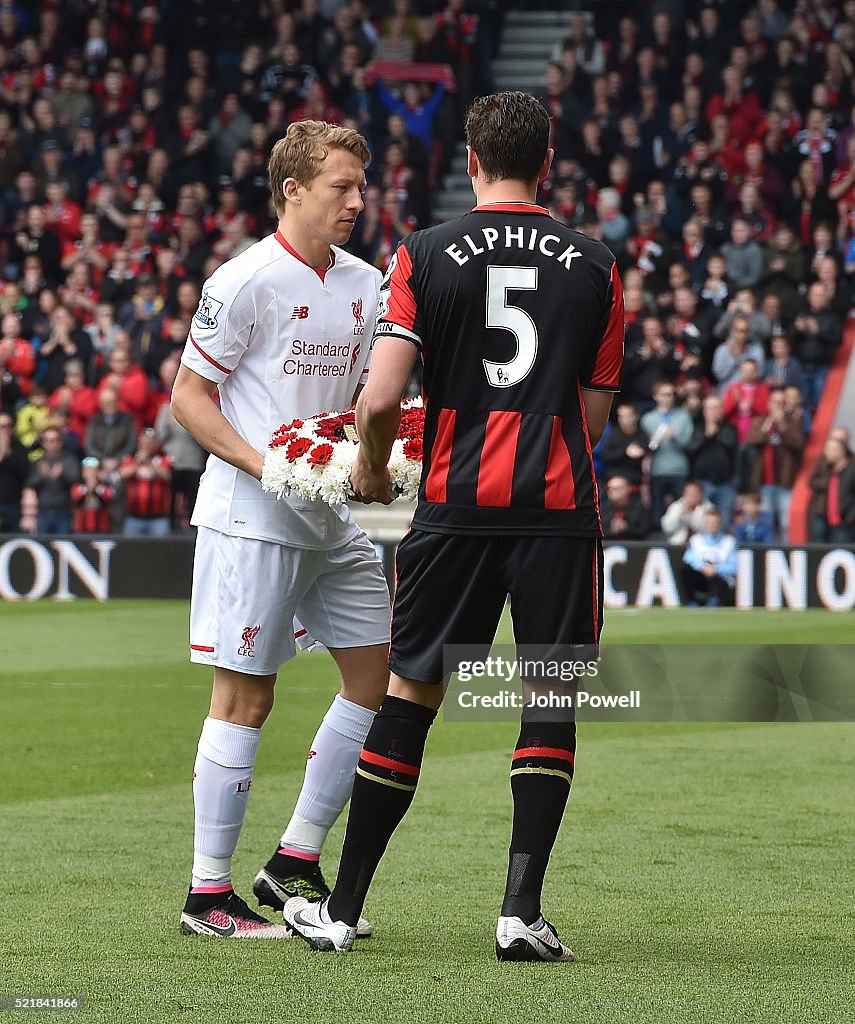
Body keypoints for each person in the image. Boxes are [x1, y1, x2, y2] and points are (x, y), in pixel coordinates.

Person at [284, 92, 624, 961]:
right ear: (546, 163)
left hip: (451, 510)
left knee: (411, 698)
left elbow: (384, 395)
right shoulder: (594, 263)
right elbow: (591, 414)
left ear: (470, 161)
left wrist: (367, 466)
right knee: (547, 697)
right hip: (554, 514)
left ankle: (344, 907)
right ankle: (519, 914)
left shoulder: (422, 254)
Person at [170, 121, 391, 939]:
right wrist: (270, 468)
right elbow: (189, 399)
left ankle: (293, 860)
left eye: (361, 187)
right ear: (292, 188)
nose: (356, 201)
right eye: (341, 186)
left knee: (381, 677)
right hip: (253, 514)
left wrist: (376, 460)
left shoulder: (368, 283)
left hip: (331, 517)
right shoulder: (245, 279)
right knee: (245, 697)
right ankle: (207, 896)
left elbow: (372, 398)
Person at [641, 379, 694, 523]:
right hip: (657, 469)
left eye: (670, 395)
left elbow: (689, 444)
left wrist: (675, 437)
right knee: (656, 508)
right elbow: (644, 445)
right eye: (663, 394)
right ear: (655, 396)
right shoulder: (647, 419)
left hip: (679, 469)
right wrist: (650, 443)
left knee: (681, 509)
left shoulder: (683, 416)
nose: (667, 398)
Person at [679, 507, 738, 606]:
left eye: (715, 522)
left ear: (720, 523)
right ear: (705, 523)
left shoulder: (729, 542)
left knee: (722, 581)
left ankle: (714, 602)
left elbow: (734, 566)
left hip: (719, 579)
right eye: (710, 522)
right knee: (685, 570)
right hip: (701, 576)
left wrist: (716, 569)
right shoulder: (696, 540)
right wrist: (703, 568)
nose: (713, 524)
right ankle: (692, 602)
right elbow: (688, 559)